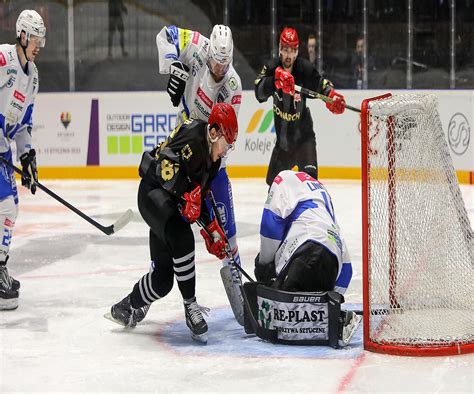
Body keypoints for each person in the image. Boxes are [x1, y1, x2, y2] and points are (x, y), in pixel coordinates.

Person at [106, 103, 238, 344]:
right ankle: (191, 307)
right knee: (182, 236)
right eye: (226, 143)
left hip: (169, 204)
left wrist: (213, 231)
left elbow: (200, 196)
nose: (226, 150)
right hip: (152, 194)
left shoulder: (214, 159)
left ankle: (127, 306)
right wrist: (185, 193)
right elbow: (164, 170)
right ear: (214, 132)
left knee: (162, 281)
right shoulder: (192, 135)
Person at [155, 24, 244, 320]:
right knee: (172, 222)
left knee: (226, 229)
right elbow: (165, 34)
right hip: (184, 150)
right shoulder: (196, 44)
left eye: (225, 63)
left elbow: (225, 137)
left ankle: (240, 296)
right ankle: (154, 286)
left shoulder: (233, 86)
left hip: (211, 161)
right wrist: (174, 66)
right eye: (215, 63)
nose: (219, 69)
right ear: (209, 54)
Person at [253, 166, 360, 346]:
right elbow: (347, 271)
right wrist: (334, 301)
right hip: (333, 258)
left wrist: (264, 264)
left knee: (279, 315)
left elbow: (271, 225)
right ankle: (332, 317)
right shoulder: (322, 196)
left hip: (306, 249)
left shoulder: (285, 177)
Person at [255, 27, 346, 185]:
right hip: (283, 146)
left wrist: (331, 96)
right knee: (273, 188)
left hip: (305, 141)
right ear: (279, 49)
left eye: (292, 50)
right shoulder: (271, 68)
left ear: (297, 51)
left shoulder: (304, 69)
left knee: (310, 186)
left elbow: (321, 85)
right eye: (284, 49)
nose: (288, 54)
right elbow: (259, 93)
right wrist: (275, 81)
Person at [0, 10, 45, 310]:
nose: (39, 45)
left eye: (42, 39)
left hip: (3, 148)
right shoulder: (4, 59)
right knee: (6, 205)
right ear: (22, 35)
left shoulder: (33, 77)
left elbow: (23, 126)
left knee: (10, 207)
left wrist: (28, 157)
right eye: (35, 38)